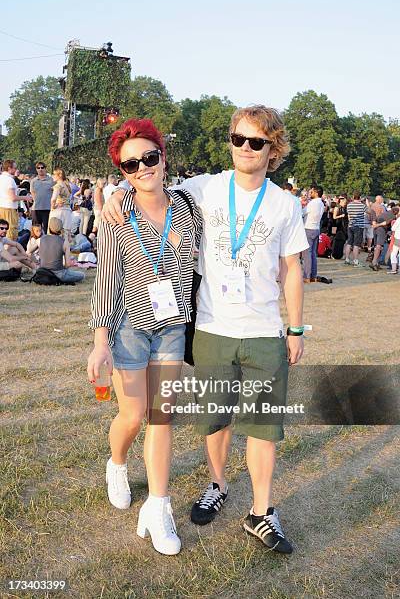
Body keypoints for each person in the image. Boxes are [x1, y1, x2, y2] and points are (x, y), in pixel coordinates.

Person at [103, 106, 309, 554]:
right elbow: (147, 176)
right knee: (215, 419)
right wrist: (115, 189)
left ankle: (261, 513)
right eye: (239, 139)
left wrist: (295, 328)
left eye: (256, 142)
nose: (245, 149)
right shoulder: (207, 188)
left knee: (262, 425)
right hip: (212, 328)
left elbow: (292, 269)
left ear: (273, 149)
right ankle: (217, 485)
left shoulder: (285, 204)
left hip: (264, 332)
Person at [87, 118, 202, 556]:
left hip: (172, 328)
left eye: (149, 158)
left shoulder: (188, 205)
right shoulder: (118, 214)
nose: (142, 169)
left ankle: (157, 508)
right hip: (129, 330)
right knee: (132, 417)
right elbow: (106, 281)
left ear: (163, 156)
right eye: (130, 165)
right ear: (123, 173)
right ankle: (116, 463)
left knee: (162, 418)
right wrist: (101, 342)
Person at [39, 217, 85, 283]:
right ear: (61, 229)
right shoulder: (64, 242)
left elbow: (29, 251)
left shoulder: (41, 239)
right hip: (58, 274)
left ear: (49, 227)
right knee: (82, 275)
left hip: (43, 272)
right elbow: (68, 264)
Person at [0, 160, 32, 240]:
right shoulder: (9, 180)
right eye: (15, 168)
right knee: (10, 233)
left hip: (2, 207)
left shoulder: (1, 178)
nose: (16, 170)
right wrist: (25, 197)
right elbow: (13, 197)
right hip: (9, 209)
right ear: (9, 168)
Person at [302, 185, 324, 283]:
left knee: (307, 254)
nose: (310, 193)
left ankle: (307, 276)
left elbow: (302, 212)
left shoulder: (312, 203)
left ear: (316, 192)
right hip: (316, 228)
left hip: (308, 228)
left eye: (312, 192)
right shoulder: (321, 203)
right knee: (313, 254)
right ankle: (313, 275)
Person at [30, 162, 54, 234]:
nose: (40, 169)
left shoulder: (51, 180)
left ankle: (46, 243)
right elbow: (32, 192)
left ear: (45, 168)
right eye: (38, 168)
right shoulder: (33, 181)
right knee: (35, 229)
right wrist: (36, 201)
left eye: (42, 167)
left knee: (47, 228)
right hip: (36, 208)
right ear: (36, 169)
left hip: (48, 208)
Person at [344, 192, 366, 266]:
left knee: (349, 242)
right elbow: (369, 211)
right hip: (359, 226)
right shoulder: (362, 205)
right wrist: (366, 203)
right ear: (360, 197)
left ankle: (347, 259)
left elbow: (349, 215)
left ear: (353, 196)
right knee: (356, 244)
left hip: (350, 225)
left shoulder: (349, 205)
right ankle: (355, 261)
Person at [49, 169, 72, 240]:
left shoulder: (58, 186)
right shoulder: (67, 185)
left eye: (54, 174)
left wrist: (53, 207)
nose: (53, 176)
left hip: (59, 211)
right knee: (66, 234)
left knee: (54, 230)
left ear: (59, 176)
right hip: (67, 210)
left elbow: (53, 199)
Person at [388, 208, 400, 274]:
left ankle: (394, 269)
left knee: (393, 253)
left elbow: (393, 228)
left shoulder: (398, 219)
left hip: (398, 238)